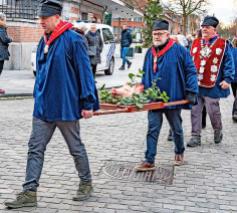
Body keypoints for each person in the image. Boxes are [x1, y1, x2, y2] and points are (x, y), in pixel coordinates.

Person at [5, 0, 99, 209]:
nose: (41, 22)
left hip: (65, 107)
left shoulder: (74, 40)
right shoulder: (43, 41)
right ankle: (29, 192)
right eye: (40, 19)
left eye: (45, 19)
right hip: (44, 108)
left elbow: (85, 74)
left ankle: (86, 183)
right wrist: (38, 95)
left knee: (75, 148)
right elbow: (41, 72)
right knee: (35, 148)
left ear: (57, 18)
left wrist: (88, 103)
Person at [117, 19, 198, 171]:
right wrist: (141, 88)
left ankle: (179, 152)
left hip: (173, 98)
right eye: (155, 34)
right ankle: (149, 160)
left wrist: (192, 91)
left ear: (168, 34)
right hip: (153, 99)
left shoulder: (180, 50)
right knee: (152, 129)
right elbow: (146, 73)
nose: (157, 36)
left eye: (160, 33)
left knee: (176, 128)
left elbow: (191, 71)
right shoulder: (150, 52)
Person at [187, 16, 234, 147]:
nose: (204, 30)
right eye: (202, 28)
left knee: (213, 110)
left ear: (214, 29)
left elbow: (229, 63)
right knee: (195, 110)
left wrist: (228, 79)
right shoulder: (195, 43)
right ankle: (195, 136)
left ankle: (217, 129)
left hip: (213, 84)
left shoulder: (223, 44)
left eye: (207, 28)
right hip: (196, 83)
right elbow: (188, 61)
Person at [0, 12, 12, 94]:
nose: (6, 20)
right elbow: (4, 39)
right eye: (5, 19)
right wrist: (10, 39)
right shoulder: (1, 27)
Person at [231, 37, 237, 121]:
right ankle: (235, 112)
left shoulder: (231, 51)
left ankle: (235, 112)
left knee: (236, 96)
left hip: (232, 78)